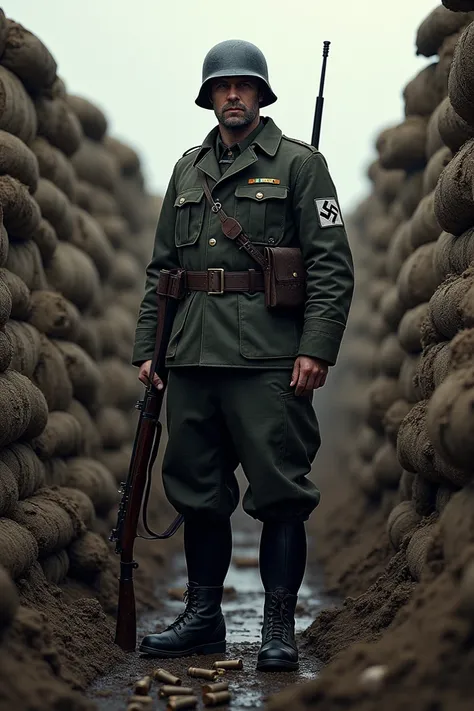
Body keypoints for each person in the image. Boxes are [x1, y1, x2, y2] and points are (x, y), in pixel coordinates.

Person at [132, 39, 354, 671]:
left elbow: (332, 267)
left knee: (280, 490)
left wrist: (316, 348)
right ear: (209, 97)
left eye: (244, 86)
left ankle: (279, 629)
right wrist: (149, 351)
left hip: (269, 359)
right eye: (222, 86)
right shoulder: (187, 169)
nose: (233, 94)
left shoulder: (301, 166)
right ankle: (203, 620)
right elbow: (162, 270)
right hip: (194, 356)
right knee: (197, 490)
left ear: (261, 95)